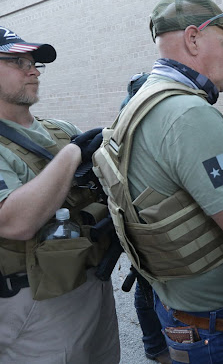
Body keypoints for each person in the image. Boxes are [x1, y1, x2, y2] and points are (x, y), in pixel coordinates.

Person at [93, 0, 223, 364]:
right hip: (217, 327)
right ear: (193, 38)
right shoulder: (189, 114)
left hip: (184, 309)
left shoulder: (143, 101)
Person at [0, 27, 119, 363]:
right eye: (17, 61)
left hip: (92, 279)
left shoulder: (61, 130)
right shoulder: (67, 144)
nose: (33, 70)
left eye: (34, 62)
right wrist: (71, 156)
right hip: (35, 302)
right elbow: (15, 223)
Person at [120, 72, 171, 364]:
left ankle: (158, 344)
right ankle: (155, 345)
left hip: (152, 220)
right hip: (143, 222)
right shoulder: (129, 129)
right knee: (147, 284)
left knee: (149, 284)